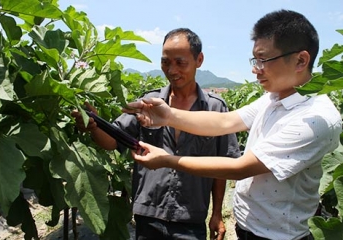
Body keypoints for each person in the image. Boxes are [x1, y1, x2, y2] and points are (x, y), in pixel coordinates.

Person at [124, 10, 342, 240]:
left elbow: (241, 168)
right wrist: (168, 115)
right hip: (249, 228)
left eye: (263, 60)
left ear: (301, 60)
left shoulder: (315, 118)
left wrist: (168, 161)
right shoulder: (275, 97)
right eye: (254, 60)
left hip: (278, 236)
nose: (255, 68)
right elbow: (226, 121)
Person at [71, 28, 240, 240]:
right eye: (165, 62)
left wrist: (216, 214)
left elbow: (222, 167)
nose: (171, 70)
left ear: (199, 60)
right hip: (148, 214)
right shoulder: (148, 103)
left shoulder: (216, 109)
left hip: (191, 218)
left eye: (180, 62)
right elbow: (113, 141)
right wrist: (94, 126)